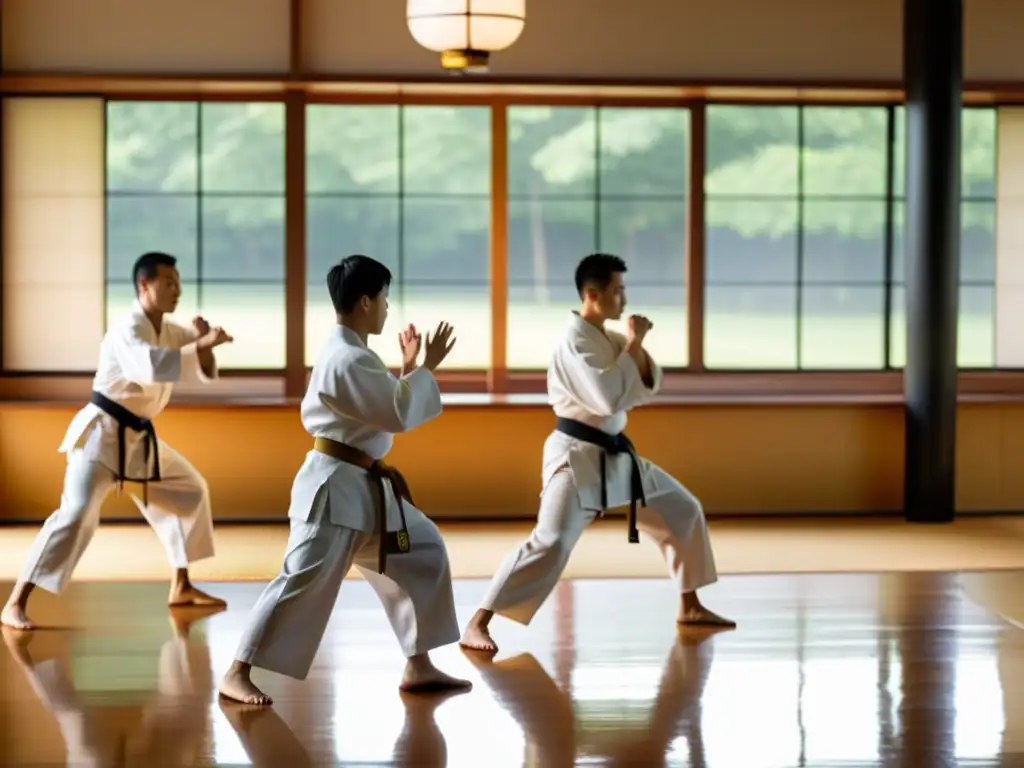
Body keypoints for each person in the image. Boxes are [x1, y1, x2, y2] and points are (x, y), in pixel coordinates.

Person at [218, 254, 471, 706]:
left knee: (423, 552)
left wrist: (410, 369)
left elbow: (384, 405)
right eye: (384, 298)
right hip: (333, 491)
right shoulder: (347, 358)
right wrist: (426, 366)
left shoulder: (353, 355)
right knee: (299, 580)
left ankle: (419, 663)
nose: (388, 308)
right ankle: (237, 671)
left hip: (363, 491)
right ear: (365, 301)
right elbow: (396, 411)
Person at [460, 253, 735, 653]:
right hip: (576, 458)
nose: (623, 299)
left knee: (682, 509)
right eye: (617, 291)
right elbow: (607, 398)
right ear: (592, 294)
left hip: (617, 457)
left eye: (623, 290)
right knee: (550, 541)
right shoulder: (574, 343)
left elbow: (645, 384)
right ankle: (477, 621)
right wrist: (636, 342)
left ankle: (689, 605)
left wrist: (633, 346)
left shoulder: (610, 338)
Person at [0, 251, 233, 631]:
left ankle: (182, 584)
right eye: (169, 282)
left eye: (178, 282)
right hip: (101, 437)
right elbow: (151, 368)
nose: (177, 289)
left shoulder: (168, 329)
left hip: (139, 441)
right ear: (145, 285)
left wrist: (205, 339)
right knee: (74, 516)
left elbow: (201, 363)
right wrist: (203, 343)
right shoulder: (128, 329)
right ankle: (15, 601)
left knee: (189, 490)